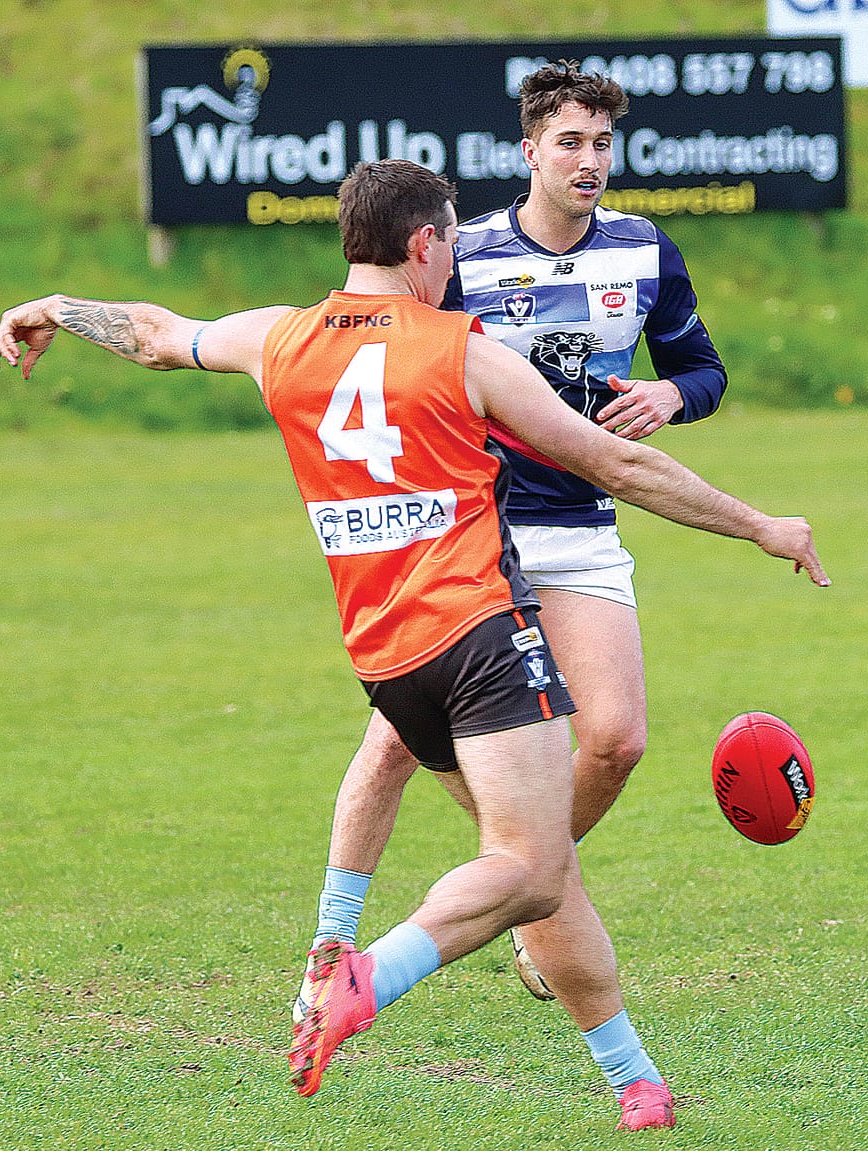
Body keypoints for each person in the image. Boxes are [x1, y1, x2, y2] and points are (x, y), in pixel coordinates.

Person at [0, 159, 828, 1130]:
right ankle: (366, 974)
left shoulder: (279, 337)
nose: (456, 255)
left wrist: (55, 304)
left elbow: (157, 334)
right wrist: (757, 522)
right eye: (454, 240)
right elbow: (613, 461)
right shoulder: (461, 350)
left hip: (387, 660)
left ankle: (635, 1082)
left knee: (541, 866)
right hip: (477, 635)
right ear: (424, 245)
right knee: (532, 868)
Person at [305, 64, 730, 1010]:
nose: (590, 162)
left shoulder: (644, 251)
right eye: (570, 144)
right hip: (475, 534)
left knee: (615, 740)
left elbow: (703, 369)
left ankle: (535, 892)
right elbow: (392, 362)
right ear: (529, 150)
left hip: (583, 524)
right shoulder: (465, 256)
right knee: (390, 748)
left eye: (604, 144)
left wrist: (671, 392)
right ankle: (332, 952)